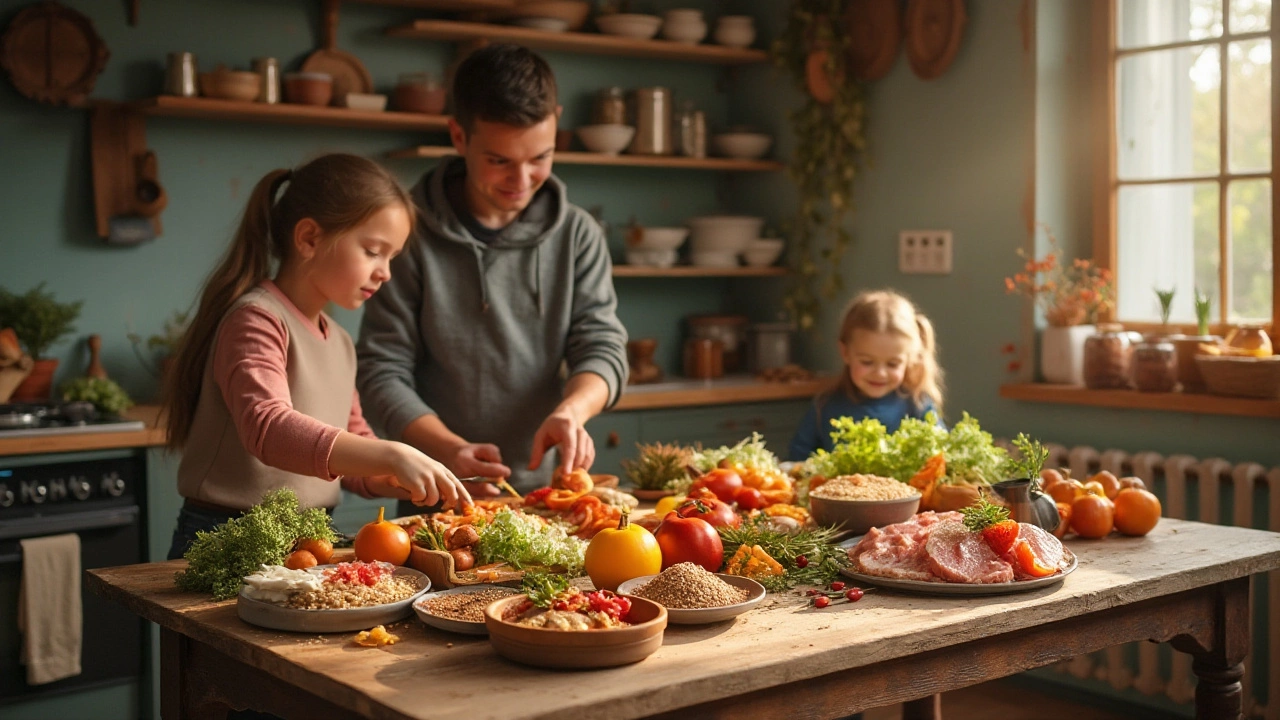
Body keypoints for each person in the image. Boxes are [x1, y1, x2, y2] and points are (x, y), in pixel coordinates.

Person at [356, 44, 628, 510]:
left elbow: (601, 345)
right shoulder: (408, 232)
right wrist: (447, 452)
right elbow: (382, 370)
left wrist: (572, 411)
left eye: (539, 157)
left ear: (556, 124)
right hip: (437, 491)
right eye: (500, 160)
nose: (521, 179)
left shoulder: (578, 234)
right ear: (459, 136)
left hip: (548, 497)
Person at [163, 154, 471, 560]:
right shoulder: (256, 320)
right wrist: (395, 453)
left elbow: (354, 444)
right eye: (373, 251)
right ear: (309, 238)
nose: (386, 273)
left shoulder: (340, 341)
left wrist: (397, 475)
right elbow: (269, 428)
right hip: (227, 538)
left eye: (391, 258)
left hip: (311, 538)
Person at [788, 289, 944, 461]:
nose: (880, 373)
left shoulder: (918, 406)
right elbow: (797, 458)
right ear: (845, 352)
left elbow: (942, 456)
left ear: (910, 359)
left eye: (893, 364)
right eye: (867, 362)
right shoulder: (825, 406)